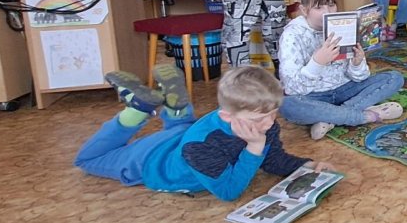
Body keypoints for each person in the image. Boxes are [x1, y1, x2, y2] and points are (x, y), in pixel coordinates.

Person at [73, 64, 334, 202]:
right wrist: (254, 148)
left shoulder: (257, 120)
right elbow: (229, 191)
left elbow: (273, 159)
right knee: (87, 159)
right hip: (149, 160)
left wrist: (307, 165)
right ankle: (136, 111)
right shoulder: (200, 148)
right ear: (227, 116)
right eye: (259, 119)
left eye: (273, 114)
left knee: (187, 129)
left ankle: (178, 110)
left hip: (182, 136)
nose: (269, 124)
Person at [278, 0, 406, 140]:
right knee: (287, 105)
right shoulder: (292, 35)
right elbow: (292, 88)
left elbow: (360, 78)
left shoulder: (343, 25)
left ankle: (330, 118)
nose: (327, 11)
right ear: (304, 10)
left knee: (394, 78)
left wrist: (357, 63)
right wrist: (317, 62)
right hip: (313, 96)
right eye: (319, 7)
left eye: (331, 5)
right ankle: (366, 116)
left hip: (345, 89)